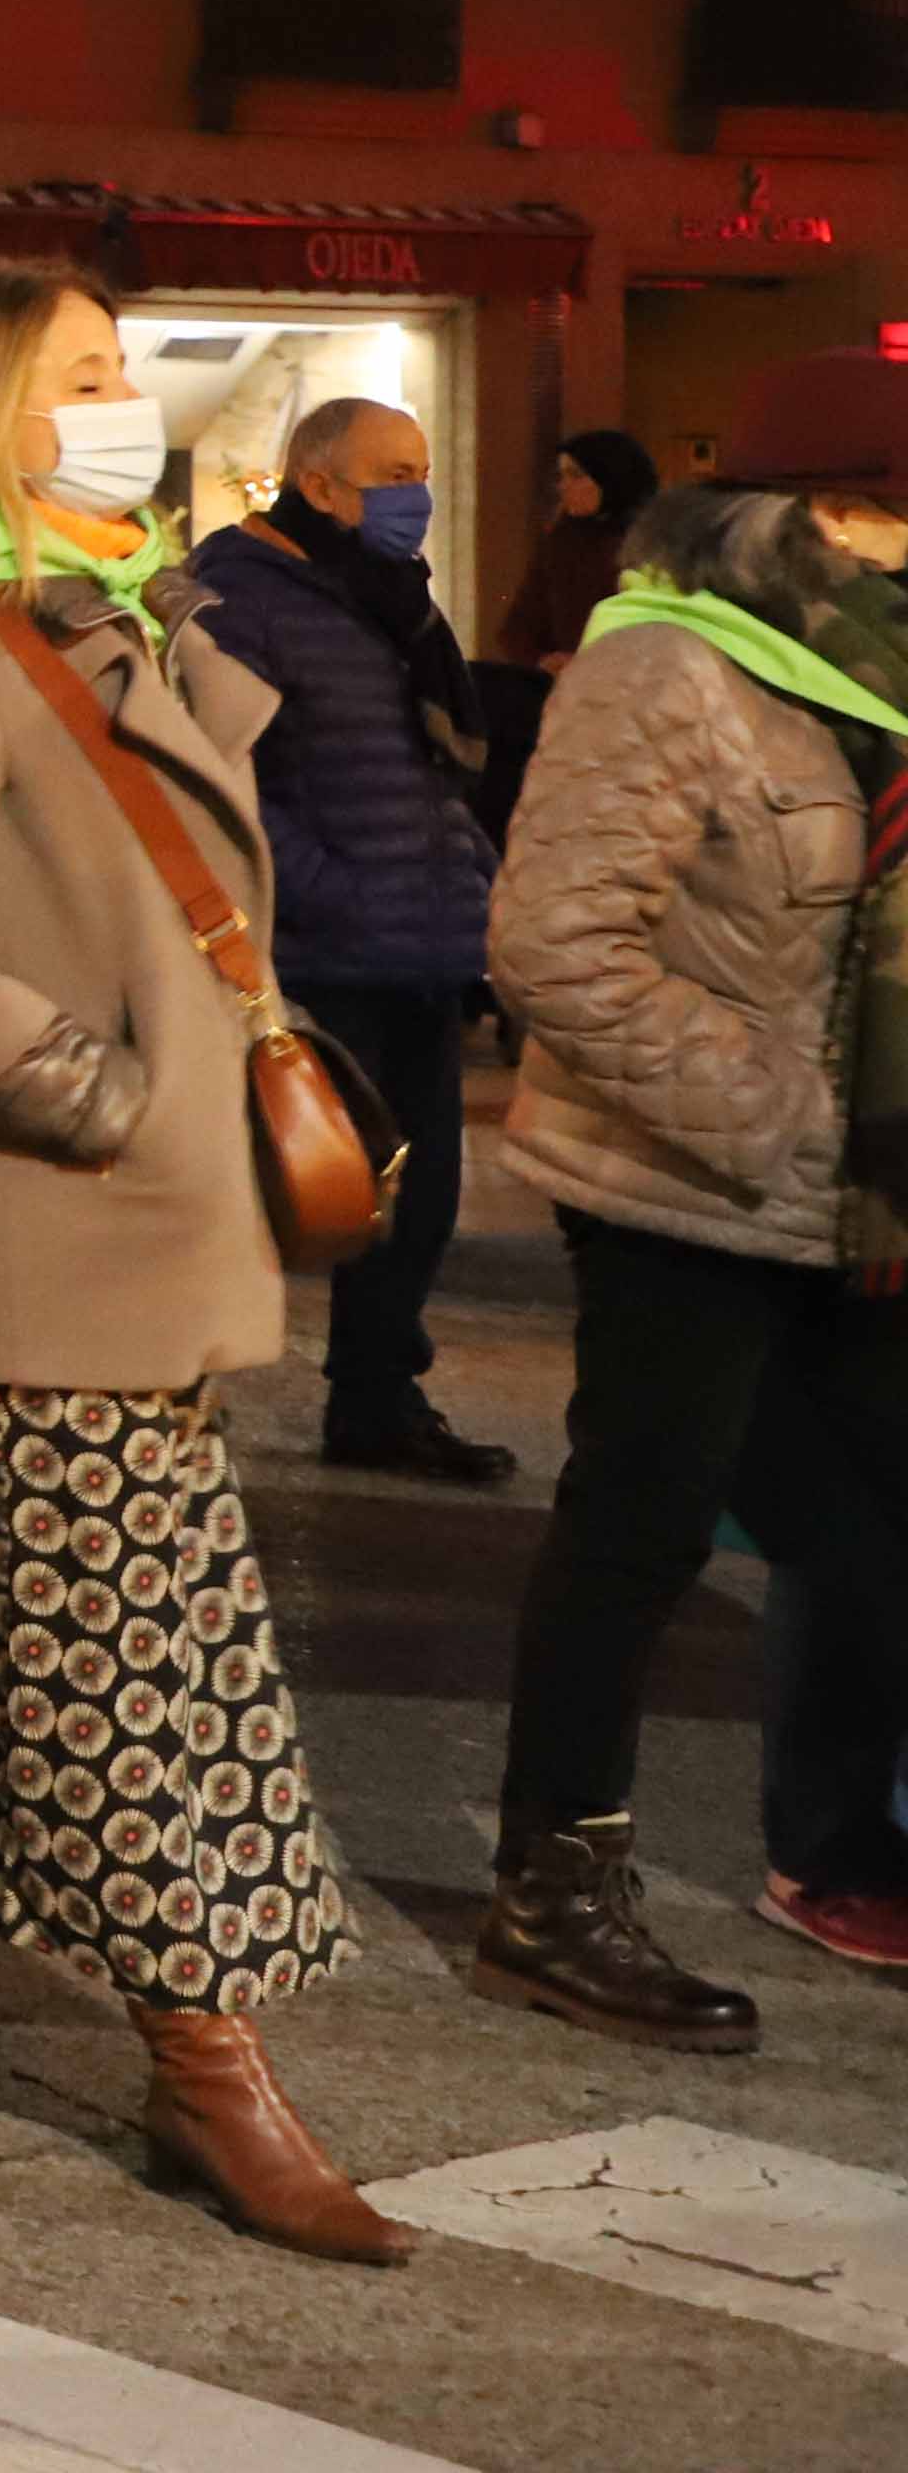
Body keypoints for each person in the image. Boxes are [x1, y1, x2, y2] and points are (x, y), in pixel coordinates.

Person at [0, 261, 405, 2267]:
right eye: (84, 375)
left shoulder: (106, 611)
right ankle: (210, 2072)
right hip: (51, 1217)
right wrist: (101, 1100)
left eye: (126, 367)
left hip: (133, 1219)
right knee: (145, 1677)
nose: (132, 398)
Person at [471, 355, 908, 2035]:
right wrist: (790, 1118)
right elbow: (554, 947)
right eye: (885, 515)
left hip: (868, 1198)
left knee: (872, 1539)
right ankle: (555, 1887)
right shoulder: (668, 667)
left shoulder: (881, 677)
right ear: (806, 517)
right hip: (688, 1184)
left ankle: (841, 1846)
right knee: (641, 1531)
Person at [187, 395, 516, 1488]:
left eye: (422, 467)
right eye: (391, 471)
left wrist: (461, 869)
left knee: (414, 1194)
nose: (414, 491)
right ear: (318, 483)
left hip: (419, 938)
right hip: (322, 945)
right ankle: (174, 1388)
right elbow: (223, 775)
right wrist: (317, 886)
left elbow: (428, 763)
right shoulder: (244, 592)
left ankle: (377, 1397)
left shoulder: (395, 598)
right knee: (277, 1184)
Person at [499, 426, 658, 670]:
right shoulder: (562, 540)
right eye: (561, 476)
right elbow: (518, 626)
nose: (563, 486)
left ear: (610, 478)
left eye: (576, 475)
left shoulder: (654, 545)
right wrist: (543, 660)